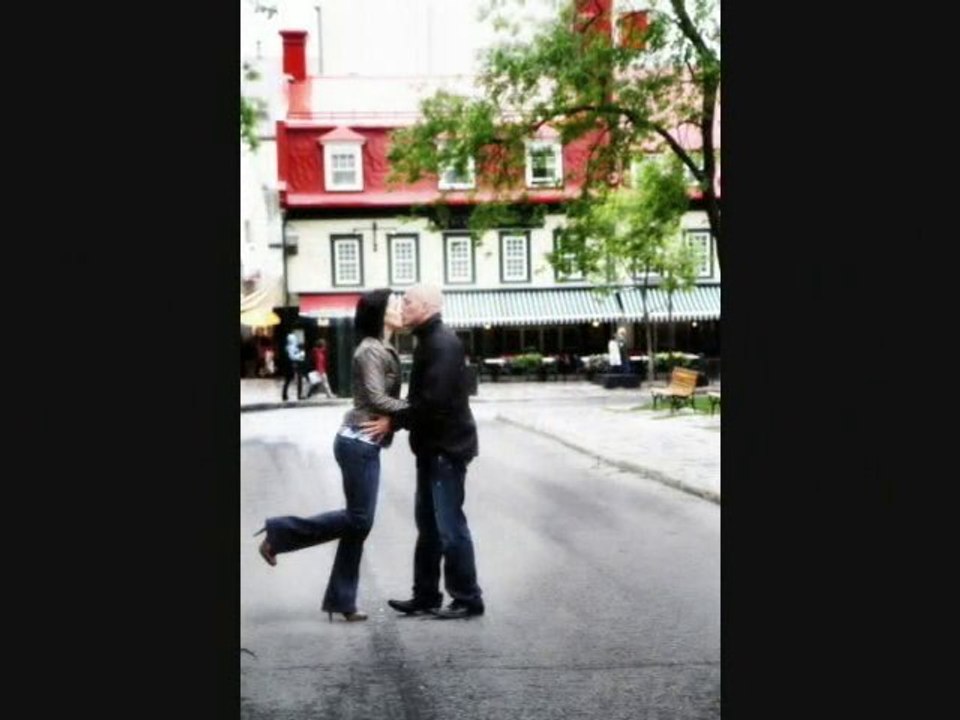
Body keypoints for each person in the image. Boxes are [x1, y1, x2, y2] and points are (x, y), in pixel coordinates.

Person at [255, 290, 407, 622]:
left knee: (358, 524)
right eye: (395, 304)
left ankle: (341, 599)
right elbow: (375, 397)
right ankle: (279, 534)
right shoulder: (370, 350)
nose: (401, 308)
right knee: (359, 520)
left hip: (366, 443)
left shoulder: (383, 347)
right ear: (380, 313)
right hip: (357, 443)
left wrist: (397, 418)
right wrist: (414, 410)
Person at [362, 283, 484, 620]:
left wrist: (394, 421)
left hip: (446, 449)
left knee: (449, 527)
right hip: (433, 449)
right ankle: (426, 596)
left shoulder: (442, 343)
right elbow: (423, 400)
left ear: (428, 306)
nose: (402, 307)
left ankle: (468, 598)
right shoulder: (430, 340)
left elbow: (433, 402)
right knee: (429, 527)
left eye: (408, 302)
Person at [281, 330, 307, 401]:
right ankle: (299, 394)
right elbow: (293, 356)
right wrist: (300, 355)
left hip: (289, 365)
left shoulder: (287, 347)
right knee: (299, 379)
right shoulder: (292, 347)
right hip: (295, 364)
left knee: (288, 380)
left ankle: (284, 395)